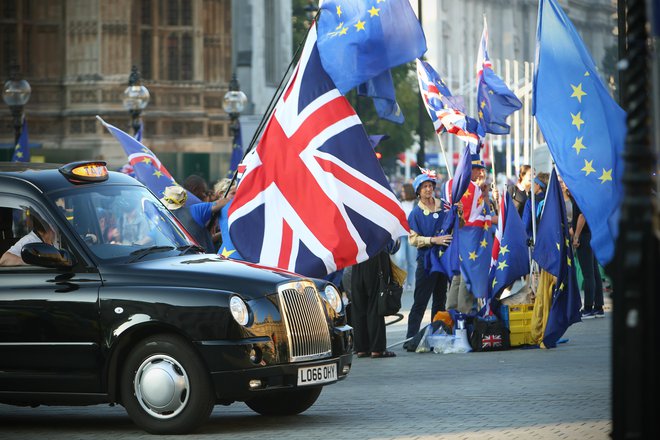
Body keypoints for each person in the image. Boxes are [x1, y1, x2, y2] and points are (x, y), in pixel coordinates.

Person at [404, 170, 452, 344]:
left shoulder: (444, 206)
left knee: (440, 299)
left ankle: (437, 334)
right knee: (420, 301)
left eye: (430, 186)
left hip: (442, 260)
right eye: (424, 187)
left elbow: (454, 222)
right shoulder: (415, 214)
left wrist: (458, 211)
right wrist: (433, 240)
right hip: (426, 261)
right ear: (418, 191)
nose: (428, 189)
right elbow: (413, 239)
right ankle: (411, 338)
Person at [445, 155, 489, 314]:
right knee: (467, 275)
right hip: (470, 236)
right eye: (477, 170)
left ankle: (451, 311)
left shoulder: (449, 184)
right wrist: (485, 197)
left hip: (455, 235)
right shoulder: (473, 188)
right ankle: (465, 314)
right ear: (469, 169)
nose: (480, 173)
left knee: (458, 275)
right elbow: (482, 214)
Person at [350, 239, 400, 358]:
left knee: (358, 306)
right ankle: (377, 349)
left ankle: (361, 348)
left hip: (357, 258)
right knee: (375, 304)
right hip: (376, 257)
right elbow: (392, 246)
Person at [161, 185, 228, 253]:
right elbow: (224, 202)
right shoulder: (196, 210)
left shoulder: (159, 218)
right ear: (184, 199)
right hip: (204, 260)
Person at [572, 199, 605, 318]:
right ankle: (598, 307)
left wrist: (576, 236)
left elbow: (582, 215)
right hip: (591, 234)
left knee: (588, 274)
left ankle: (588, 308)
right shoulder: (586, 192)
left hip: (584, 236)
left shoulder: (580, 194)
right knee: (594, 273)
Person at [394, 182, 417, 291]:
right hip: (401, 235)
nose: (401, 193)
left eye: (403, 191)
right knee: (400, 259)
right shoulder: (399, 203)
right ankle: (402, 281)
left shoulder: (416, 204)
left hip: (413, 235)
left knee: (412, 261)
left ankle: (410, 283)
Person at [213, 178, 243, 259]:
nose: (236, 196)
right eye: (233, 193)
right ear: (221, 194)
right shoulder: (211, 210)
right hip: (222, 251)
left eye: (237, 193)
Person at [522, 172, 550, 241]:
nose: (531, 186)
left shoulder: (531, 201)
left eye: (533, 183)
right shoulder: (551, 200)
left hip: (534, 239)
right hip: (549, 239)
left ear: (538, 185)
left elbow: (525, 224)